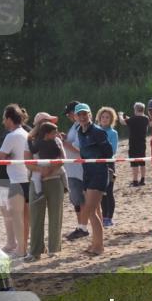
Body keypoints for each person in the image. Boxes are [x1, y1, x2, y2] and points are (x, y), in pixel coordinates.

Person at [24, 121, 65, 261]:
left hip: (55, 180)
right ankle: (35, 250)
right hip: (36, 181)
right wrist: (40, 170)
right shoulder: (30, 141)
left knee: (56, 215)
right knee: (35, 217)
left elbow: (63, 158)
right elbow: (27, 162)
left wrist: (51, 170)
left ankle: (54, 249)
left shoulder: (56, 139)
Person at [74, 102, 111, 256]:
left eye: (85, 114)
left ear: (90, 114)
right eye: (79, 114)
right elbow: (83, 153)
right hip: (87, 173)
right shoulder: (79, 131)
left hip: (99, 173)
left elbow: (108, 152)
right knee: (92, 211)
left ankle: (99, 246)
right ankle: (95, 244)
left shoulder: (97, 131)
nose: (82, 117)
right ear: (76, 117)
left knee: (90, 209)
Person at [0, 105, 31, 257]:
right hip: (28, 177)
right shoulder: (25, 133)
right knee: (25, 217)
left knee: (16, 216)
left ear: (10, 119)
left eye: (4, 118)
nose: (3, 121)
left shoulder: (11, 136)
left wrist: (6, 157)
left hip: (16, 180)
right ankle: (23, 248)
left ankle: (20, 250)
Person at [61, 102, 89, 242]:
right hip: (73, 169)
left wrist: (63, 143)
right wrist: (65, 138)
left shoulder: (81, 128)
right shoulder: (75, 126)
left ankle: (82, 228)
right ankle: (81, 226)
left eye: (69, 114)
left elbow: (79, 150)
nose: (69, 117)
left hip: (78, 170)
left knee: (80, 200)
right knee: (77, 201)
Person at [96, 107, 119, 227]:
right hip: (97, 164)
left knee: (109, 191)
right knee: (100, 192)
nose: (104, 119)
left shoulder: (113, 133)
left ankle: (109, 217)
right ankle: (103, 216)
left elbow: (113, 150)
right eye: (103, 117)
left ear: (111, 119)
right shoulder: (95, 131)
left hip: (109, 164)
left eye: (107, 117)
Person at [119, 103, 149, 187]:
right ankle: (142, 179)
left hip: (133, 144)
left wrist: (120, 115)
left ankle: (135, 180)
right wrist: (128, 118)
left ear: (135, 109)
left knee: (134, 162)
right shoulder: (146, 118)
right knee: (142, 162)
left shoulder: (133, 119)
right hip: (142, 143)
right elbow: (134, 120)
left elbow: (122, 122)